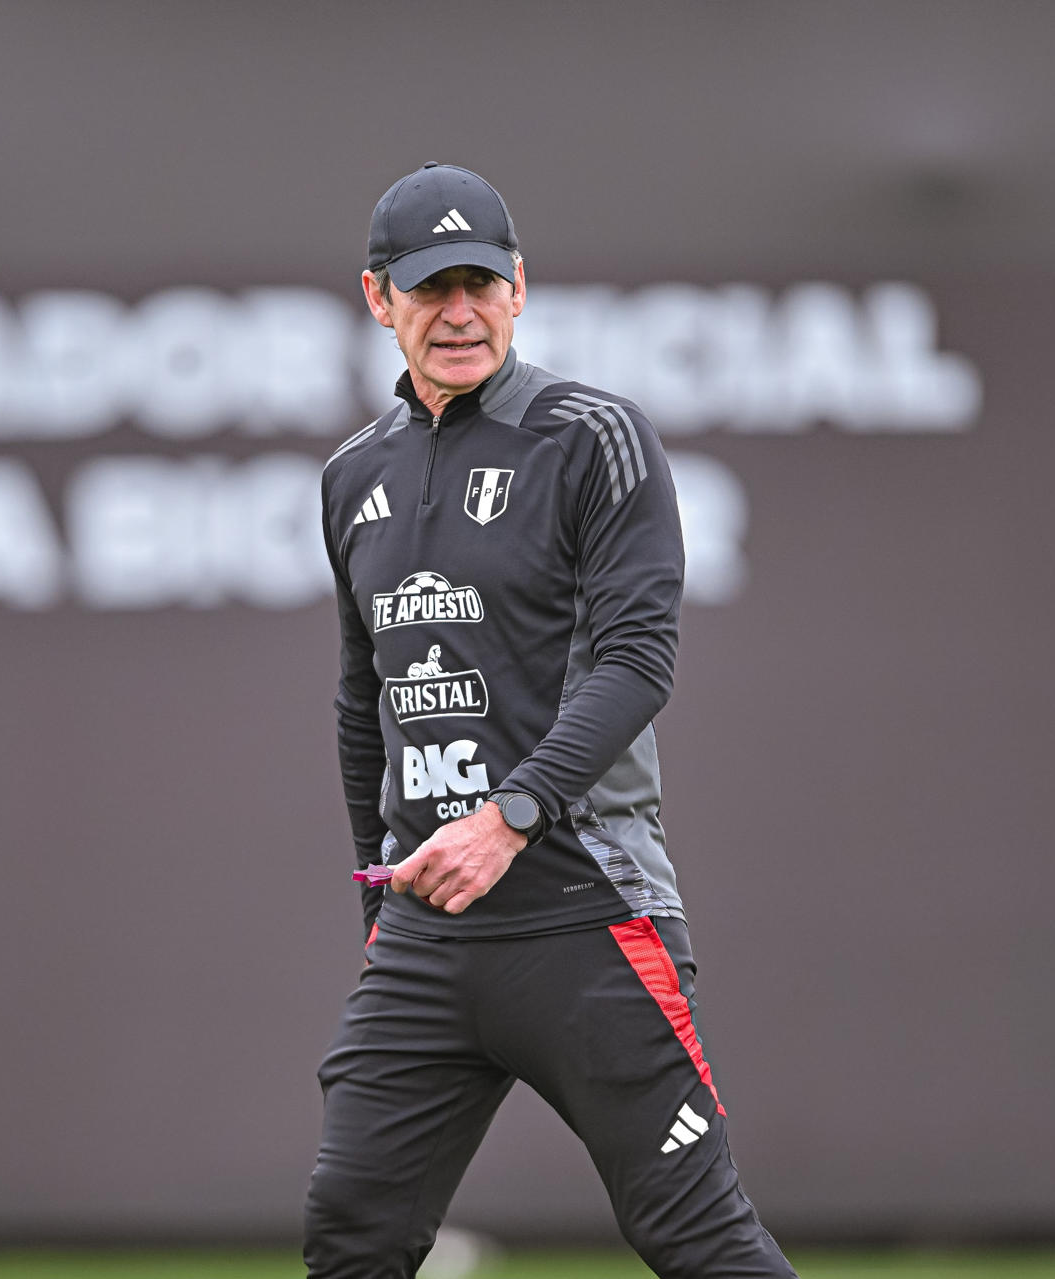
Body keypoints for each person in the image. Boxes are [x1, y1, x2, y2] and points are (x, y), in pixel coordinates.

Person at [304, 162, 796, 1279]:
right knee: (351, 1233)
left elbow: (637, 660)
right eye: (431, 289)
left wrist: (510, 814)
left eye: (480, 281)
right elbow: (361, 697)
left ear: (520, 287)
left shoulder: (593, 437)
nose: (459, 311)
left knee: (695, 1233)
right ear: (380, 301)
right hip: (431, 932)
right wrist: (376, 896)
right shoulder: (353, 478)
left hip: (586, 906)